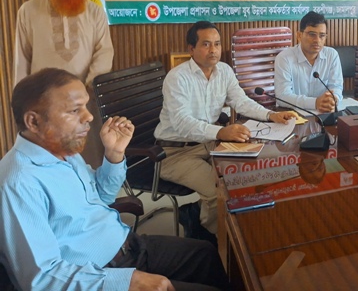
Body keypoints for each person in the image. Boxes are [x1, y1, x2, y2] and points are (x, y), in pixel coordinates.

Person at [0, 68, 230, 291]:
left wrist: (114, 154)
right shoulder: (18, 183)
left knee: (205, 254)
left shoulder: (63, 152)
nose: (89, 116)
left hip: (127, 246)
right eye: (74, 110)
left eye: (86, 106)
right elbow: (41, 278)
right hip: (96, 274)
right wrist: (122, 282)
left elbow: (102, 196)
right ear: (33, 122)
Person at [154, 21, 295, 238]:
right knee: (217, 191)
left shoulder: (224, 71)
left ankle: (201, 216)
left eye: (217, 44)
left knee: (243, 174)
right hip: (175, 152)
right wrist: (220, 132)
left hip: (209, 143)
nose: (213, 50)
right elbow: (182, 123)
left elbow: (241, 101)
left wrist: (270, 115)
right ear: (191, 49)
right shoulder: (177, 78)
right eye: (206, 44)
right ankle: (215, 240)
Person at [13, 0, 114, 168]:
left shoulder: (95, 12)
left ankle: (87, 188)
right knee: (46, 150)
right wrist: (21, 99)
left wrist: (88, 87)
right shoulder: (29, 10)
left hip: (84, 96)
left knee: (88, 152)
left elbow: (104, 51)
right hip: (44, 99)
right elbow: (22, 57)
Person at [274, 11, 343, 113]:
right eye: (312, 34)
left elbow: (336, 87)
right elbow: (282, 96)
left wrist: (333, 100)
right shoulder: (284, 58)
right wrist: (315, 103)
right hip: (294, 116)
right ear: (299, 35)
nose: (317, 40)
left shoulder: (332, 55)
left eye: (322, 35)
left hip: (324, 114)